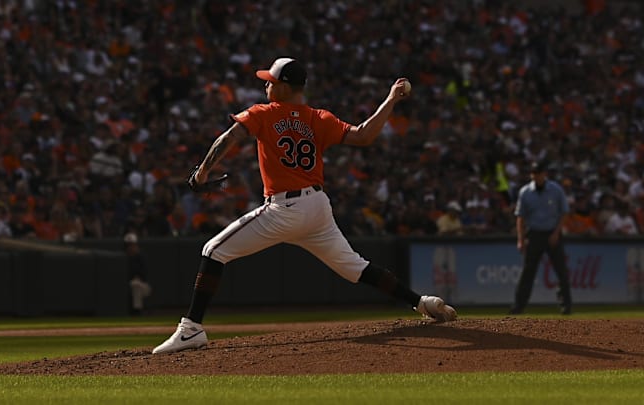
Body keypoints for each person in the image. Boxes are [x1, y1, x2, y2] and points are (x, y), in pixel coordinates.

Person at [152, 57, 457, 354]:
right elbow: (363, 136)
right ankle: (422, 302)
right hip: (317, 208)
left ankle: (191, 328)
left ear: (285, 87)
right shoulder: (318, 118)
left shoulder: (265, 112)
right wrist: (390, 99)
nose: (266, 87)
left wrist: (203, 170)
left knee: (213, 251)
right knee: (357, 268)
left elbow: (229, 137)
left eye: (270, 82)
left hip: (284, 209)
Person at [510, 161, 572, 315]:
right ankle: (519, 306)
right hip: (534, 234)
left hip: (552, 233)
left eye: (538, 173)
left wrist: (557, 233)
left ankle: (566, 306)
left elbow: (564, 212)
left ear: (544, 173)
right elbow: (520, 218)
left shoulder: (555, 189)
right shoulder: (525, 192)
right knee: (528, 272)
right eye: (533, 173)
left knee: (561, 271)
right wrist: (520, 239)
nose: (536, 176)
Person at [124, 232, 151, 315]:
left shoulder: (141, 258)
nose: (131, 247)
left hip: (144, 286)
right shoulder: (123, 258)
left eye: (132, 245)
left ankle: (137, 312)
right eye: (128, 245)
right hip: (128, 285)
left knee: (136, 285)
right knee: (134, 284)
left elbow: (145, 276)